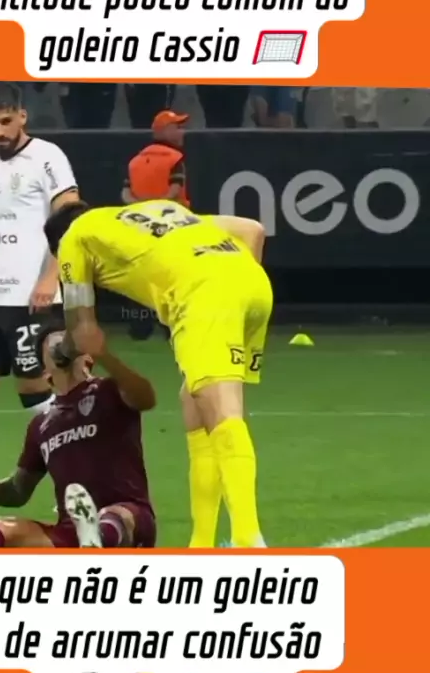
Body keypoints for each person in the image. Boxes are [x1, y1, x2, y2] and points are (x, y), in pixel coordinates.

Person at [43, 199, 273, 549]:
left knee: (221, 410)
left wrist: (60, 352)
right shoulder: (155, 213)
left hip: (202, 293)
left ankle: (248, 538)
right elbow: (252, 230)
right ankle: (201, 544)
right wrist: (233, 293)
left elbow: (82, 332)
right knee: (194, 404)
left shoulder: (74, 237)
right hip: (252, 283)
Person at [0, 81, 80, 514]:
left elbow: (70, 220)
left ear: (23, 116)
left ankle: (73, 481)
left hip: (31, 298)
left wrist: (50, 277)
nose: (0, 131)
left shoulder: (47, 157)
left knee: (35, 395)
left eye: (7, 121)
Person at [0, 322, 157, 548]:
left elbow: (146, 398)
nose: (62, 343)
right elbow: (17, 491)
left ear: (87, 358)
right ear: (46, 373)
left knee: (114, 515)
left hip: (131, 518)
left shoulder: (110, 390)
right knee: (4, 527)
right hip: (71, 532)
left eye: (67, 339)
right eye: (52, 342)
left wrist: (104, 355)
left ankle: (95, 539)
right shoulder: (42, 425)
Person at [121, 109, 190, 340]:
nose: (182, 132)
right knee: (173, 277)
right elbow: (175, 190)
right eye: (177, 127)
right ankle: (171, 325)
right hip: (172, 225)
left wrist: (142, 209)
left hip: (140, 227)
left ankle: (139, 326)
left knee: (142, 274)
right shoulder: (175, 158)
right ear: (164, 131)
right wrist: (159, 208)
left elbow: (125, 193)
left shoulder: (136, 160)